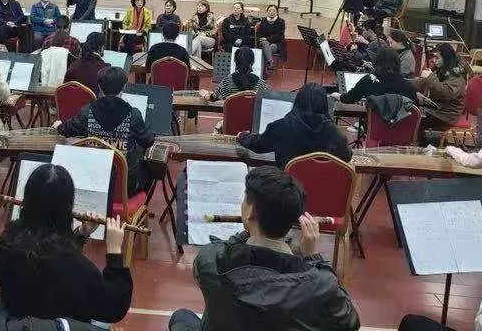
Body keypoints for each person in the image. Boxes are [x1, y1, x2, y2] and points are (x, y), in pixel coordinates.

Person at [170, 166, 359, 331]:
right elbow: (350, 323)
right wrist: (312, 257)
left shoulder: (211, 260)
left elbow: (224, 249)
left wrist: (249, 229)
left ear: (251, 211)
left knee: (181, 317)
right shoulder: (320, 284)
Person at [0, 164, 131, 323]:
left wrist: (80, 234)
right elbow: (114, 307)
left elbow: (45, 258)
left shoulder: (7, 240)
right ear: (67, 207)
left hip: (15, 323)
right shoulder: (72, 263)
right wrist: (114, 250)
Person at [57, 67, 154, 195]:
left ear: (99, 87)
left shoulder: (87, 112)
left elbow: (66, 130)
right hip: (124, 185)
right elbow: (147, 141)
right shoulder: (133, 114)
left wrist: (58, 125)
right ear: (124, 87)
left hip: (92, 178)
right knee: (150, 167)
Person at [238, 83, 352, 168]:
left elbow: (259, 145)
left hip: (288, 189)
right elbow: (346, 157)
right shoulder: (334, 133)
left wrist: (243, 136)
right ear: (324, 104)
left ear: (298, 101)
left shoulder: (280, 127)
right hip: (320, 189)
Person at [413, 43, 467, 137]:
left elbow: (447, 93)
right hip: (437, 108)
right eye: (434, 57)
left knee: (413, 120)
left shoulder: (457, 75)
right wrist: (405, 83)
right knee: (411, 112)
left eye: (437, 57)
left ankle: (423, 143)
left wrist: (429, 78)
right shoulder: (442, 68)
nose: (434, 60)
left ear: (446, 58)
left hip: (446, 115)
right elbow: (423, 83)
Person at [336, 47, 418, 104]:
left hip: (373, 124)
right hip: (400, 124)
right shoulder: (409, 87)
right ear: (398, 63)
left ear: (377, 61)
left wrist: (337, 96)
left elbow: (349, 98)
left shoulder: (368, 81)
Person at [201, 46, 269, 103]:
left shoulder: (227, 82)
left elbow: (213, 97)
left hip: (231, 115)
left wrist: (205, 95)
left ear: (235, 62)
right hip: (252, 116)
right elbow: (268, 100)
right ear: (253, 62)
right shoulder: (261, 84)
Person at [258, 5, 286, 70]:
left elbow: (280, 35)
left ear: (277, 12)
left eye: (274, 11)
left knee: (267, 49)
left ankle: (264, 71)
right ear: (267, 12)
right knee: (265, 44)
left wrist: (267, 39)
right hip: (263, 42)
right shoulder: (263, 20)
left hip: (276, 43)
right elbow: (259, 32)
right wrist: (262, 39)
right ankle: (270, 63)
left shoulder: (281, 21)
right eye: (270, 10)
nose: (271, 12)